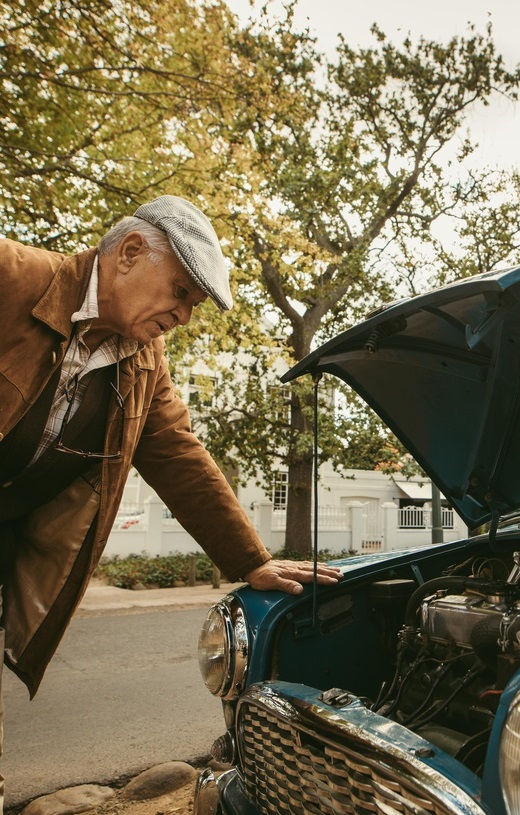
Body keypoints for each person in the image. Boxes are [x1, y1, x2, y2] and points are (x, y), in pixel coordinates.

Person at [0, 195, 341, 805]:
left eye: (194, 304)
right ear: (130, 252)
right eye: (181, 290)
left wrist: (250, 560)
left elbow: (178, 455)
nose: (184, 314)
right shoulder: (12, 277)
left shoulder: (141, 361)